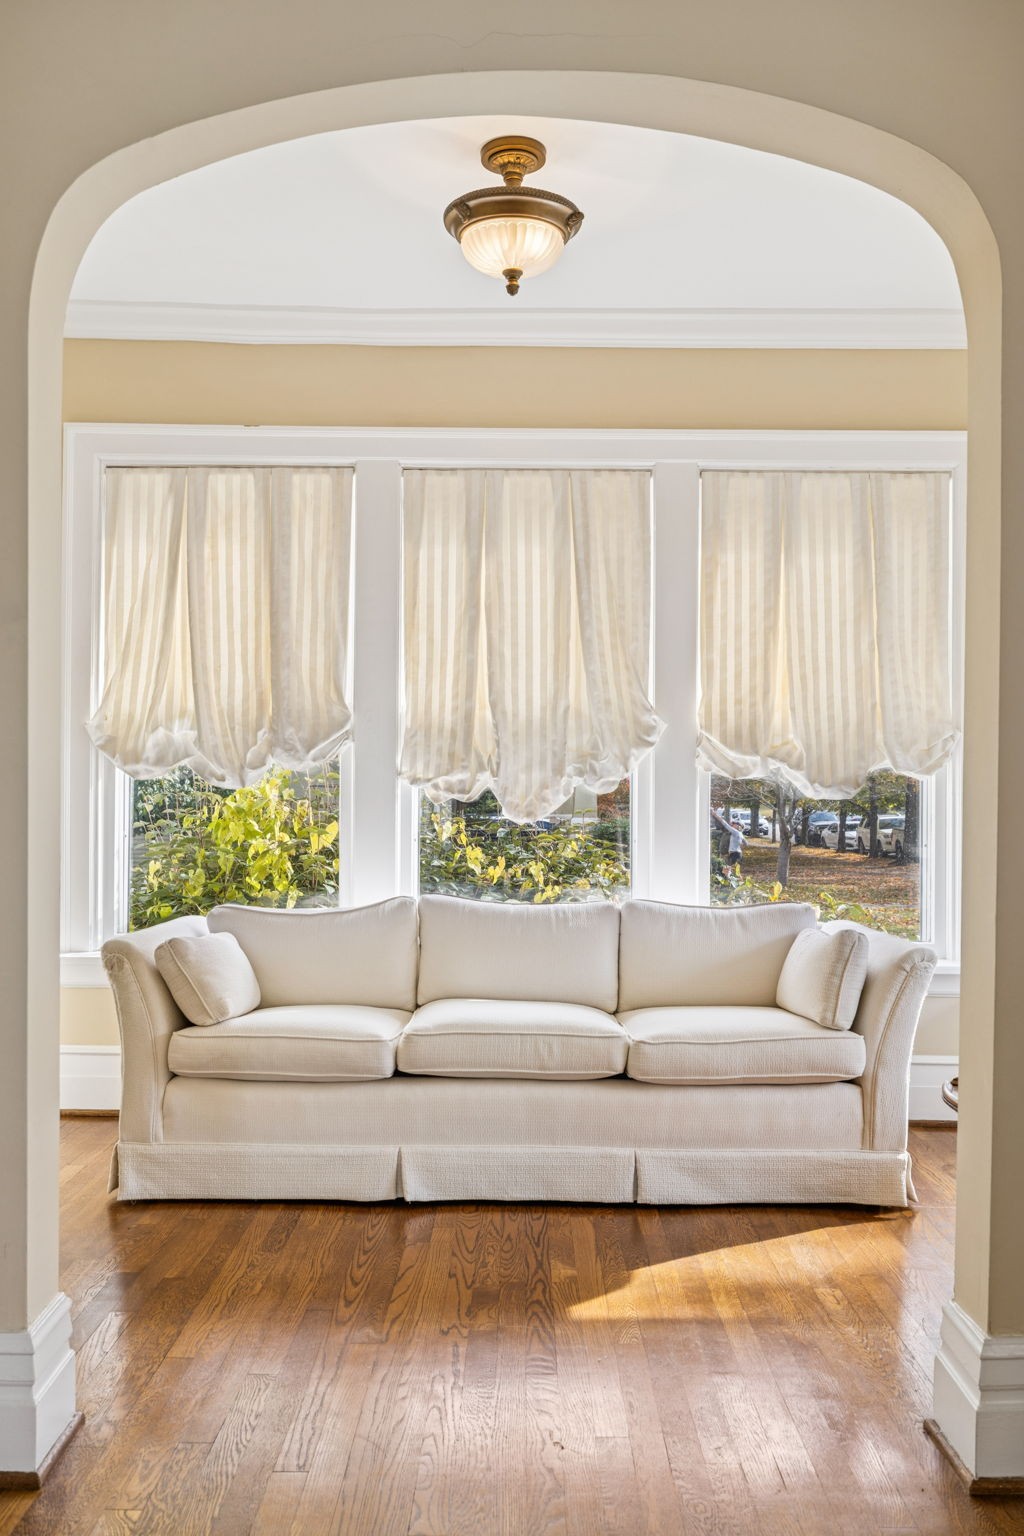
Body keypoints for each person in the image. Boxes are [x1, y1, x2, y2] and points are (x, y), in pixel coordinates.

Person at [712, 806, 747, 874]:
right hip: (736, 854)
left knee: (727, 870)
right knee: (730, 870)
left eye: (734, 823)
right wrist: (738, 847)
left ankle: (730, 882)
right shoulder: (740, 834)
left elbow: (725, 824)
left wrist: (715, 815)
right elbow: (746, 843)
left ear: (738, 826)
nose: (732, 824)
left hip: (735, 854)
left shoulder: (735, 832)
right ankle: (731, 881)